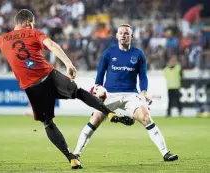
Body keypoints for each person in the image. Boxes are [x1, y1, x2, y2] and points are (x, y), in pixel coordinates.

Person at [0, 9, 132, 169]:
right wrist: (68, 63)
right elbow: (52, 45)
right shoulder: (34, 33)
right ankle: (108, 112)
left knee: (48, 124)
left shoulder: (3, 39)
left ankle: (71, 158)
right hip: (50, 77)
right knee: (79, 92)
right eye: (32, 23)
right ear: (28, 22)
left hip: (32, 89)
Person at [73, 24, 178, 162]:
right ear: (116, 36)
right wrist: (97, 88)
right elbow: (100, 75)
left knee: (146, 117)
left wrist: (144, 93)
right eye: (121, 33)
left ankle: (165, 153)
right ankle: (76, 153)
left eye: (127, 33)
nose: (123, 35)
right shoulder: (108, 53)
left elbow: (143, 77)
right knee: (95, 119)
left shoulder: (139, 54)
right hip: (109, 94)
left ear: (132, 37)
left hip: (130, 95)